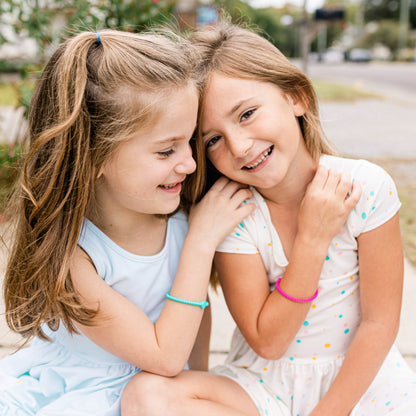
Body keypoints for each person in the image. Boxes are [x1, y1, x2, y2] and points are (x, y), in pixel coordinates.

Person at [120, 20, 416, 416]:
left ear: (296, 97)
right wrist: (313, 239)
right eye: (213, 139)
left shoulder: (366, 187)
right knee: (146, 395)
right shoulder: (234, 211)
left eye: (246, 114)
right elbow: (268, 341)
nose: (240, 147)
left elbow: (379, 324)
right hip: (265, 387)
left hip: (360, 386)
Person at [0, 28, 257, 415]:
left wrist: (195, 386)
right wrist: (201, 242)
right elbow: (164, 355)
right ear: (94, 157)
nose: (188, 163)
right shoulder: (74, 255)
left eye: (189, 142)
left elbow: (194, 318)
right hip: (83, 394)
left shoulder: (183, 218)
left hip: (155, 392)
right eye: (166, 150)